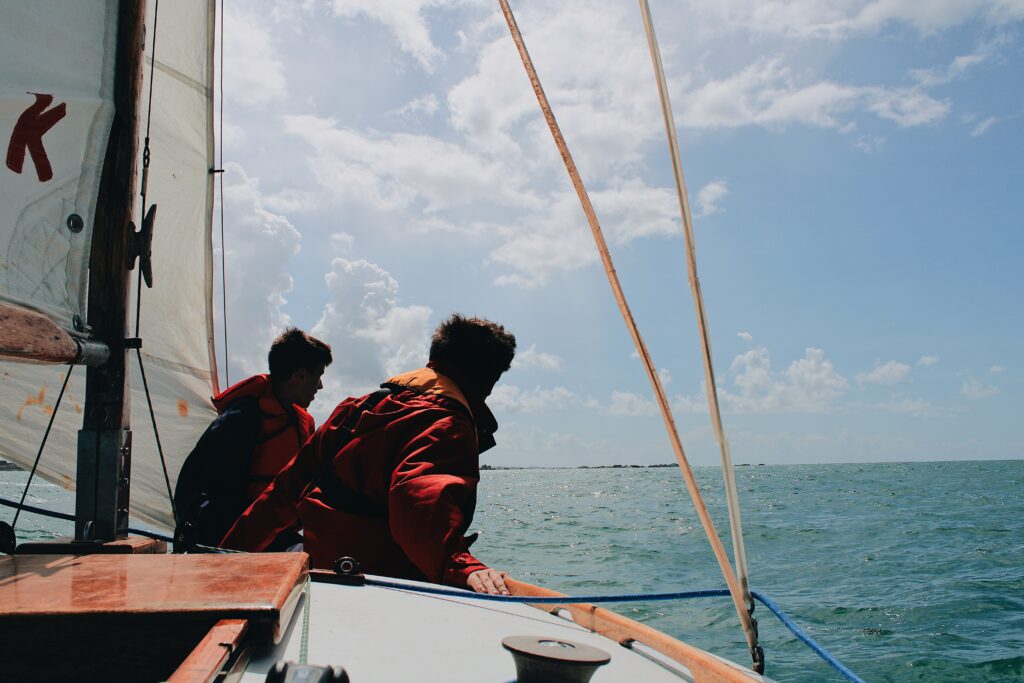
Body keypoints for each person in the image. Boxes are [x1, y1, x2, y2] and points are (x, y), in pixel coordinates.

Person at [220, 314, 516, 595]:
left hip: (322, 572)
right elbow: (417, 504)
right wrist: (462, 567)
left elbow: (284, 491)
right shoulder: (448, 424)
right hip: (379, 586)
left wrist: (226, 557)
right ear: (487, 380)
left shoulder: (359, 407)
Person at [173, 327, 332, 549]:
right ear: (300, 375)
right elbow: (200, 490)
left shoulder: (300, 422)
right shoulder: (242, 419)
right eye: (319, 376)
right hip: (234, 542)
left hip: (273, 537)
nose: (320, 386)